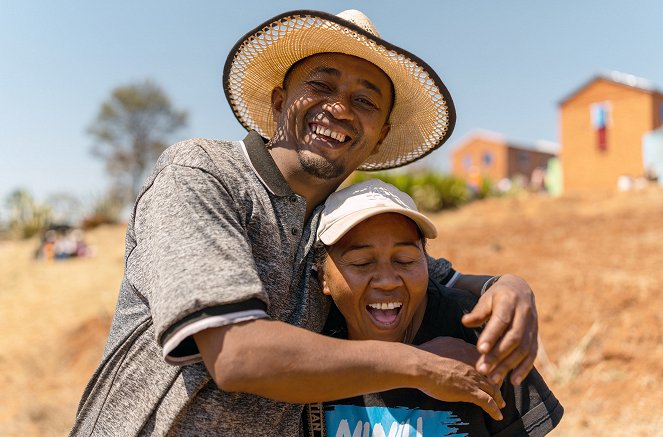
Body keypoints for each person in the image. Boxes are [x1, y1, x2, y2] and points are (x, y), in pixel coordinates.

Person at [71, 9, 539, 436]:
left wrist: (511, 286)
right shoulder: (204, 174)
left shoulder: (340, 221)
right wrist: (417, 364)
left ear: (380, 138)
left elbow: (430, 275)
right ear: (279, 102)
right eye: (321, 86)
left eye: (365, 100)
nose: (339, 108)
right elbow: (237, 354)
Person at [305, 179, 563, 436]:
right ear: (323, 277)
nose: (387, 281)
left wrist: (512, 283)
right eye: (361, 262)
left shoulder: (474, 330)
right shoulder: (308, 335)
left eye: (405, 260)